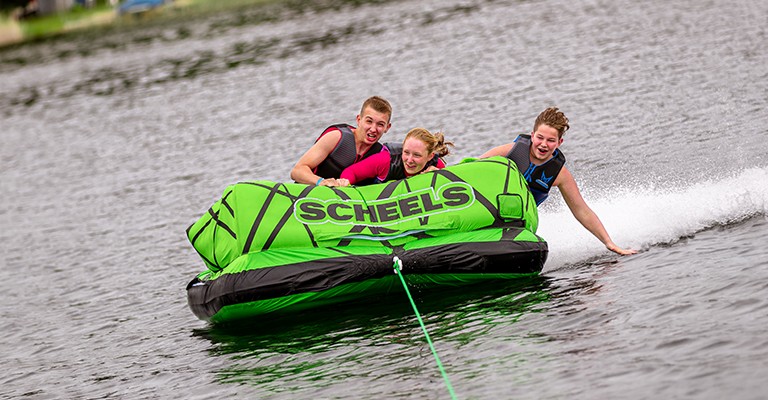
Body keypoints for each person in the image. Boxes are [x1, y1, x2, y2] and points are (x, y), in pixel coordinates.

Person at [480, 107, 637, 256]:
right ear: (532, 135)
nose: (543, 144)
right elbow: (471, 169)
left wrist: (610, 243)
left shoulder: (559, 174)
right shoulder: (509, 151)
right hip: (487, 211)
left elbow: (581, 210)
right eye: (540, 138)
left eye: (550, 140)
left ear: (559, 142)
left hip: (518, 225)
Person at [290, 96, 393, 187]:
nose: (373, 129)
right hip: (310, 195)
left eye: (380, 124)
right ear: (359, 120)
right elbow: (297, 171)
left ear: (387, 128)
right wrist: (321, 182)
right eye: (369, 121)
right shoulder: (336, 137)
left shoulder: (381, 155)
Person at [338, 128, 454, 185]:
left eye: (417, 155)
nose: (409, 160)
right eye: (406, 152)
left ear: (430, 156)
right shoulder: (385, 161)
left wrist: (438, 176)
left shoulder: (436, 165)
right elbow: (351, 172)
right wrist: (345, 182)